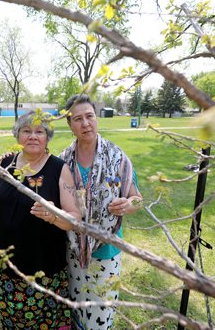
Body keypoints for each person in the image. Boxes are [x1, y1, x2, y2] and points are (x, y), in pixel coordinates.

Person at [0, 110, 81, 330]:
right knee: (12, 320)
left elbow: (74, 219)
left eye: (39, 131)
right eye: (26, 131)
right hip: (8, 265)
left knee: (44, 322)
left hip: (44, 267)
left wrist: (54, 216)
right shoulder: (5, 163)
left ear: (47, 138)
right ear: (18, 136)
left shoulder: (58, 168)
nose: (33, 136)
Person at [59, 94, 142, 330]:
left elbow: (138, 200)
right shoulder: (63, 161)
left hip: (107, 251)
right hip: (73, 250)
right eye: (78, 119)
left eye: (90, 116)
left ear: (97, 118)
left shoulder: (118, 158)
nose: (85, 123)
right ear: (70, 125)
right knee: (77, 306)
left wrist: (129, 205)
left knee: (101, 312)